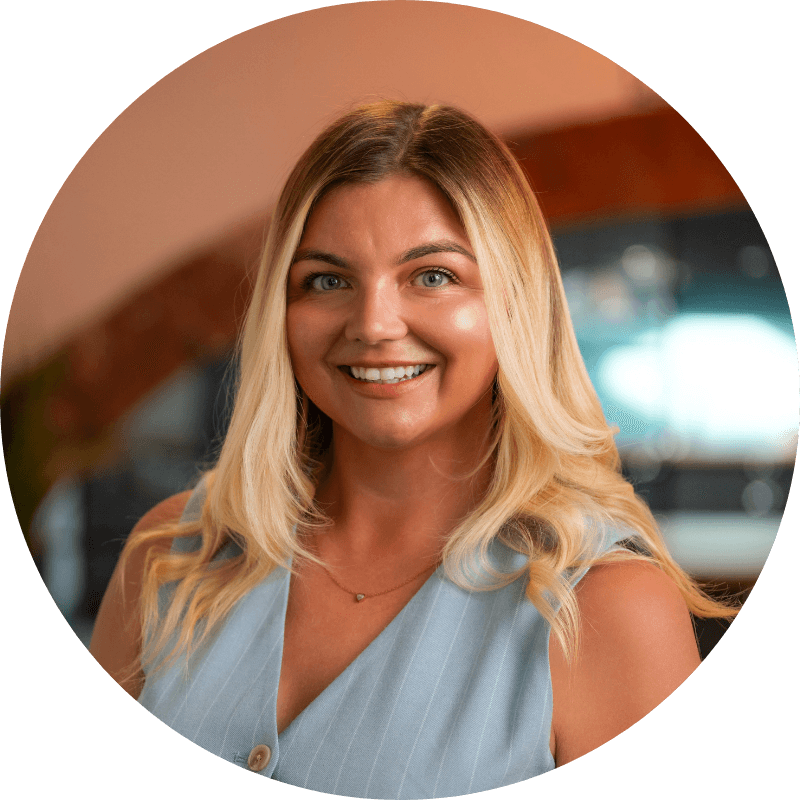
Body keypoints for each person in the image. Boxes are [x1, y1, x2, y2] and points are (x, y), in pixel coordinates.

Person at [90, 101, 737, 797]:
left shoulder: (607, 611)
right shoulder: (167, 558)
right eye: (327, 280)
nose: (373, 324)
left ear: (512, 305)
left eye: (432, 275)